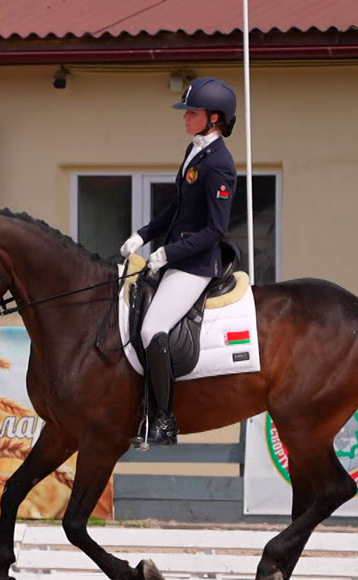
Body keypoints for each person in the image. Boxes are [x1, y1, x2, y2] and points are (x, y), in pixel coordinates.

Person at [120, 76, 238, 447]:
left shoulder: (219, 163)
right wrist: (143, 234)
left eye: (193, 112)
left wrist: (168, 253)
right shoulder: (196, 150)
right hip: (174, 256)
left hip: (196, 265)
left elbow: (215, 230)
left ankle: (166, 420)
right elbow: (178, 207)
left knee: (151, 329)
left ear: (214, 118)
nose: (185, 117)